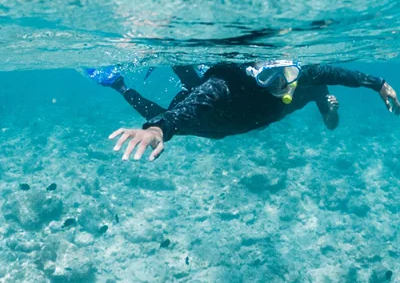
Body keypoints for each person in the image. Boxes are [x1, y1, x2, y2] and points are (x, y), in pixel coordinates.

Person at [87, 61, 400, 162]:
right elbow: (182, 114)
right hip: (213, 120)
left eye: (287, 75)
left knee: (192, 89)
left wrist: (379, 84)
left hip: (228, 128)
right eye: (269, 77)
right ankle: (119, 85)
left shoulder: (310, 81)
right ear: (254, 73)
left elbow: (344, 78)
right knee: (180, 107)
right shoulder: (227, 85)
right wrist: (157, 129)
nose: (281, 85)